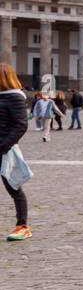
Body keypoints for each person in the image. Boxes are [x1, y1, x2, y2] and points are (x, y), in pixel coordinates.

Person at [1, 64, 33, 241]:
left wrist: (3, 145)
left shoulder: (15, 96)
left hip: (5, 149)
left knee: (13, 187)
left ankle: (22, 226)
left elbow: (20, 125)